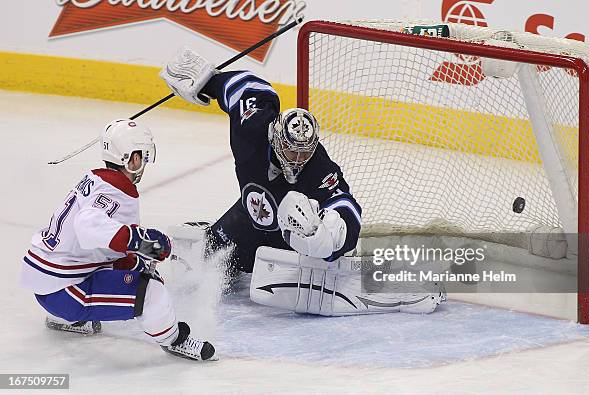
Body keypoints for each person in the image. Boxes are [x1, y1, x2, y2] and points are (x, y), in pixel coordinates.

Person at [161, 48, 445, 315]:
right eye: (291, 150)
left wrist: (327, 238)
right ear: (276, 137)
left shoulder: (317, 166)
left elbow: (347, 206)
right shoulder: (253, 127)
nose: (297, 158)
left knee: (308, 266)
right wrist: (208, 82)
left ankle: (392, 285)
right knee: (199, 269)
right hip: (245, 221)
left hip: (286, 241)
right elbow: (250, 87)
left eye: (304, 151)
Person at [20, 119, 216, 361]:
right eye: (143, 157)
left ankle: (69, 319)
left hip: (46, 281)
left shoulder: (95, 179)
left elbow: (103, 247)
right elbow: (87, 225)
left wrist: (136, 257)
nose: (144, 163)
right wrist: (143, 242)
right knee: (152, 291)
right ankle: (174, 340)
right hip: (65, 292)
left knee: (134, 269)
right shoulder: (117, 193)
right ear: (132, 159)